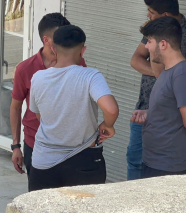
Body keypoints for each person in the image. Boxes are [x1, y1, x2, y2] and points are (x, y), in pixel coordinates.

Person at [28, 25, 119, 192]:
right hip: (84, 160)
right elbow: (111, 109)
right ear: (82, 50)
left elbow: (39, 116)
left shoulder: (38, 78)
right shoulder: (91, 76)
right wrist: (108, 125)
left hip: (44, 161)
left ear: (54, 49)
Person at [10, 13, 87, 181]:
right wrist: (16, 146)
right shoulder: (25, 69)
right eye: (58, 37)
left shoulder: (78, 63)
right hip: (35, 144)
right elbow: (15, 107)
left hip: (70, 146)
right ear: (46, 40)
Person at [128, 0, 186, 180]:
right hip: (155, 151)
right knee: (134, 162)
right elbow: (135, 59)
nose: (146, 46)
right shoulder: (166, 70)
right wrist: (151, 111)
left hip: (169, 163)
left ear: (163, 44)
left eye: (148, 42)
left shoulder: (181, 72)